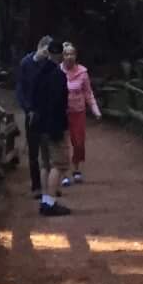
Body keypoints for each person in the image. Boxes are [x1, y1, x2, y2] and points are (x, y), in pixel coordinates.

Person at [26, 35, 73, 214]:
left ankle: (45, 199)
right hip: (54, 126)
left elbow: (33, 97)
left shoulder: (38, 73)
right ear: (60, 55)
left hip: (40, 125)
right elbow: (59, 103)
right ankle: (51, 202)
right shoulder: (58, 76)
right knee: (59, 164)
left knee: (45, 164)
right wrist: (59, 126)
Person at [15, 35, 53, 197]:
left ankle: (50, 185)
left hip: (46, 113)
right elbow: (20, 89)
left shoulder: (48, 66)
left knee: (48, 150)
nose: (47, 55)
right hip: (31, 113)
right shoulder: (25, 63)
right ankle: (36, 186)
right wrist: (27, 108)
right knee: (33, 152)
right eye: (46, 51)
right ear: (40, 47)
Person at [60, 41, 101, 184]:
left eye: (72, 54)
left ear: (76, 55)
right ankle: (63, 173)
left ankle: (76, 169)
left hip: (78, 111)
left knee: (78, 143)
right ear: (62, 56)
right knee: (62, 143)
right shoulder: (57, 71)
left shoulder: (83, 73)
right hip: (62, 112)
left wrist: (96, 110)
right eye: (66, 54)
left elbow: (88, 93)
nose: (69, 57)